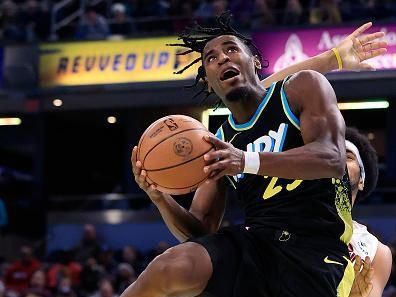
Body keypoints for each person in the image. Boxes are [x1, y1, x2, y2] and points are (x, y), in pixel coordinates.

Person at [126, 13, 387, 297]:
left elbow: (332, 160)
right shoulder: (218, 142)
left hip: (315, 252)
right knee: (170, 266)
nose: (223, 58)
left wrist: (246, 161)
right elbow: (200, 230)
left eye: (231, 49)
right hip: (256, 245)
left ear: (256, 62)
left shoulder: (300, 89)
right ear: (208, 83)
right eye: (211, 58)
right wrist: (160, 198)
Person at [345, 127, 392, 297]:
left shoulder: (376, 252)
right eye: (331, 155)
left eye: (348, 156)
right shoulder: (282, 226)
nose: (337, 160)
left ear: (362, 180)